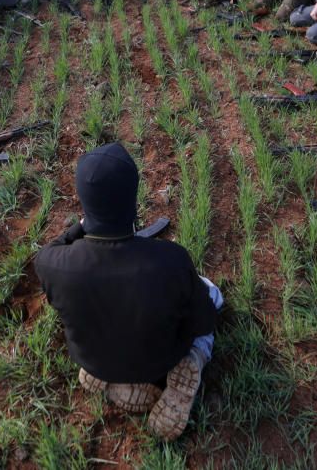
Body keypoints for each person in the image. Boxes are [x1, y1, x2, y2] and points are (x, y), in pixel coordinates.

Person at [34, 143, 222, 440]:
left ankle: (105, 380)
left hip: (94, 359)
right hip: (162, 360)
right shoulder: (171, 261)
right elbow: (204, 320)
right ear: (133, 201)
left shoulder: (51, 264)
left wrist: (81, 227)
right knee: (211, 292)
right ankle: (193, 362)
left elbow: (54, 247)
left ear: (83, 201)